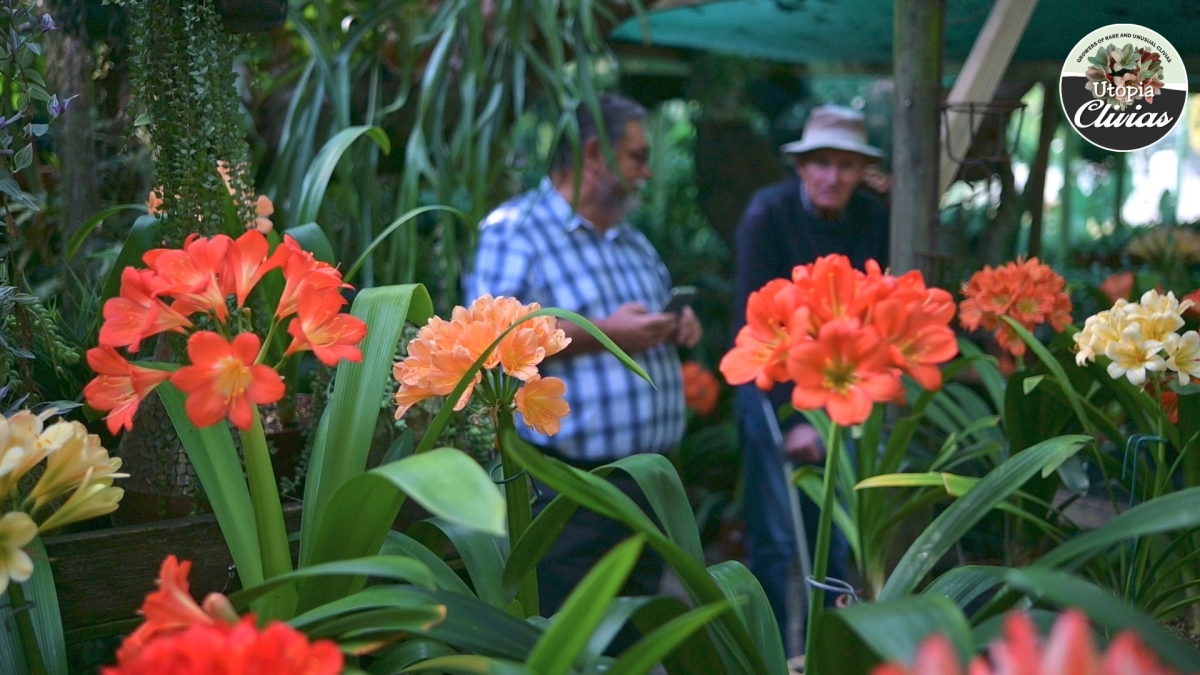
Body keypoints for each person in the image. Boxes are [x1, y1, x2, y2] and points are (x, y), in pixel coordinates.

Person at [467, 93, 703, 618]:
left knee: (635, 629)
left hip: (649, 482)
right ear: (594, 154)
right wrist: (608, 332)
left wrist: (676, 324)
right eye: (638, 157)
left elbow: (644, 324)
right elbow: (495, 341)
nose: (647, 172)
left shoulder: (633, 242)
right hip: (570, 488)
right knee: (573, 630)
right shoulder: (514, 231)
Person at [732, 104, 890, 649]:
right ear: (800, 166)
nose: (832, 177)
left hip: (840, 385)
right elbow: (752, 325)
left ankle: (829, 651)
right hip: (771, 385)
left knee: (837, 535)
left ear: (862, 171)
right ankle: (775, 652)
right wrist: (792, 418)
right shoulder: (767, 213)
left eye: (846, 165)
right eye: (821, 162)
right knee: (776, 537)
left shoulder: (873, 217)